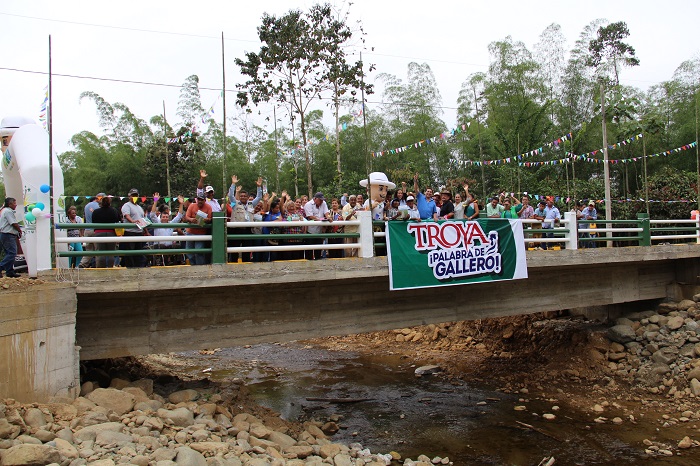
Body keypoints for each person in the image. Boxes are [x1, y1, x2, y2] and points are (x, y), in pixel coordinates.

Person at [228, 175, 263, 262]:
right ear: (239, 197)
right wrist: (233, 184)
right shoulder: (234, 204)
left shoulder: (251, 204)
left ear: (248, 197)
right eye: (241, 196)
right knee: (234, 251)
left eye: (245, 196)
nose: (243, 197)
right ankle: (233, 266)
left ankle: (246, 266)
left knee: (246, 251)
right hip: (236, 230)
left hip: (247, 230)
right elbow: (230, 195)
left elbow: (259, 197)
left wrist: (259, 186)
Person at [151, 195, 185, 265]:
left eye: (166, 217)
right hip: (159, 245)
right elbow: (152, 215)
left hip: (169, 246)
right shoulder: (157, 223)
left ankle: (178, 262)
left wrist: (181, 204)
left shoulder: (171, 224)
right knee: (163, 246)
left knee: (178, 246)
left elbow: (179, 216)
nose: (165, 218)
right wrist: (155, 201)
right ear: (160, 217)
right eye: (163, 217)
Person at [120, 188, 150, 268]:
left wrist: (146, 231)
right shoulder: (126, 205)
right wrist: (132, 221)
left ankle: (138, 267)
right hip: (130, 231)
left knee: (138, 252)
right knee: (129, 252)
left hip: (139, 232)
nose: (134, 197)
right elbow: (127, 215)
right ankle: (130, 267)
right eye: (133, 195)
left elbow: (143, 219)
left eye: (136, 195)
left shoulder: (140, 208)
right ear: (129, 196)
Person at [92, 196, 120, 268]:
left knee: (100, 253)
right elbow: (118, 220)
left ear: (101, 203)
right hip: (111, 232)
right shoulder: (114, 211)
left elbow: (93, 222)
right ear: (110, 203)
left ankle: (101, 269)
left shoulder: (96, 212)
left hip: (99, 233)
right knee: (111, 253)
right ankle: (110, 268)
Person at [184, 193, 213, 265]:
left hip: (201, 232)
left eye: (202, 200)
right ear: (196, 199)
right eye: (199, 199)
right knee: (189, 252)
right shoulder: (192, 206)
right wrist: (191, 219)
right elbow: (186, 217)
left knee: (199, 251)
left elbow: (210, 218)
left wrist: (206, 220)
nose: (200, 201)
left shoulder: (208, 207)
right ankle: (193, 265)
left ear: (205, 200)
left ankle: (200, 266)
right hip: (190, 232)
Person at [79, 192, 104, 268]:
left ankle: (82, 264)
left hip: (87, 230)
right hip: (96, 230)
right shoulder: (99, 207)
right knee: (98, 251)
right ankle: (99, 267)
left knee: (88, 251)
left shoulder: (87, 206)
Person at [304, 192, 331, 260]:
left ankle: (318, 263)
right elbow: (310, 216)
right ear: (315, 199)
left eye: (322, 200)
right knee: (309, 252)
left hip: (319, 231)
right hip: (310, 231)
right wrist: (319, 219)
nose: (322, 201)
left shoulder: (323, 203)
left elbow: (326, 212)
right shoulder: (308, 204)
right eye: (320, 200)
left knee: (318, 251)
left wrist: (328, 217)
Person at [0, 197, 22, 277]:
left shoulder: (4, 211)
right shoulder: (8, 211)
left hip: (5, 234)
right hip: (8, 234)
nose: (16, 205)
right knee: (12, 253)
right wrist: (19, 230)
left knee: (8, 253)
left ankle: (9, 271)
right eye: (14, 203)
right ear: (10, 204)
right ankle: (1, 267)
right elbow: (13, 223)